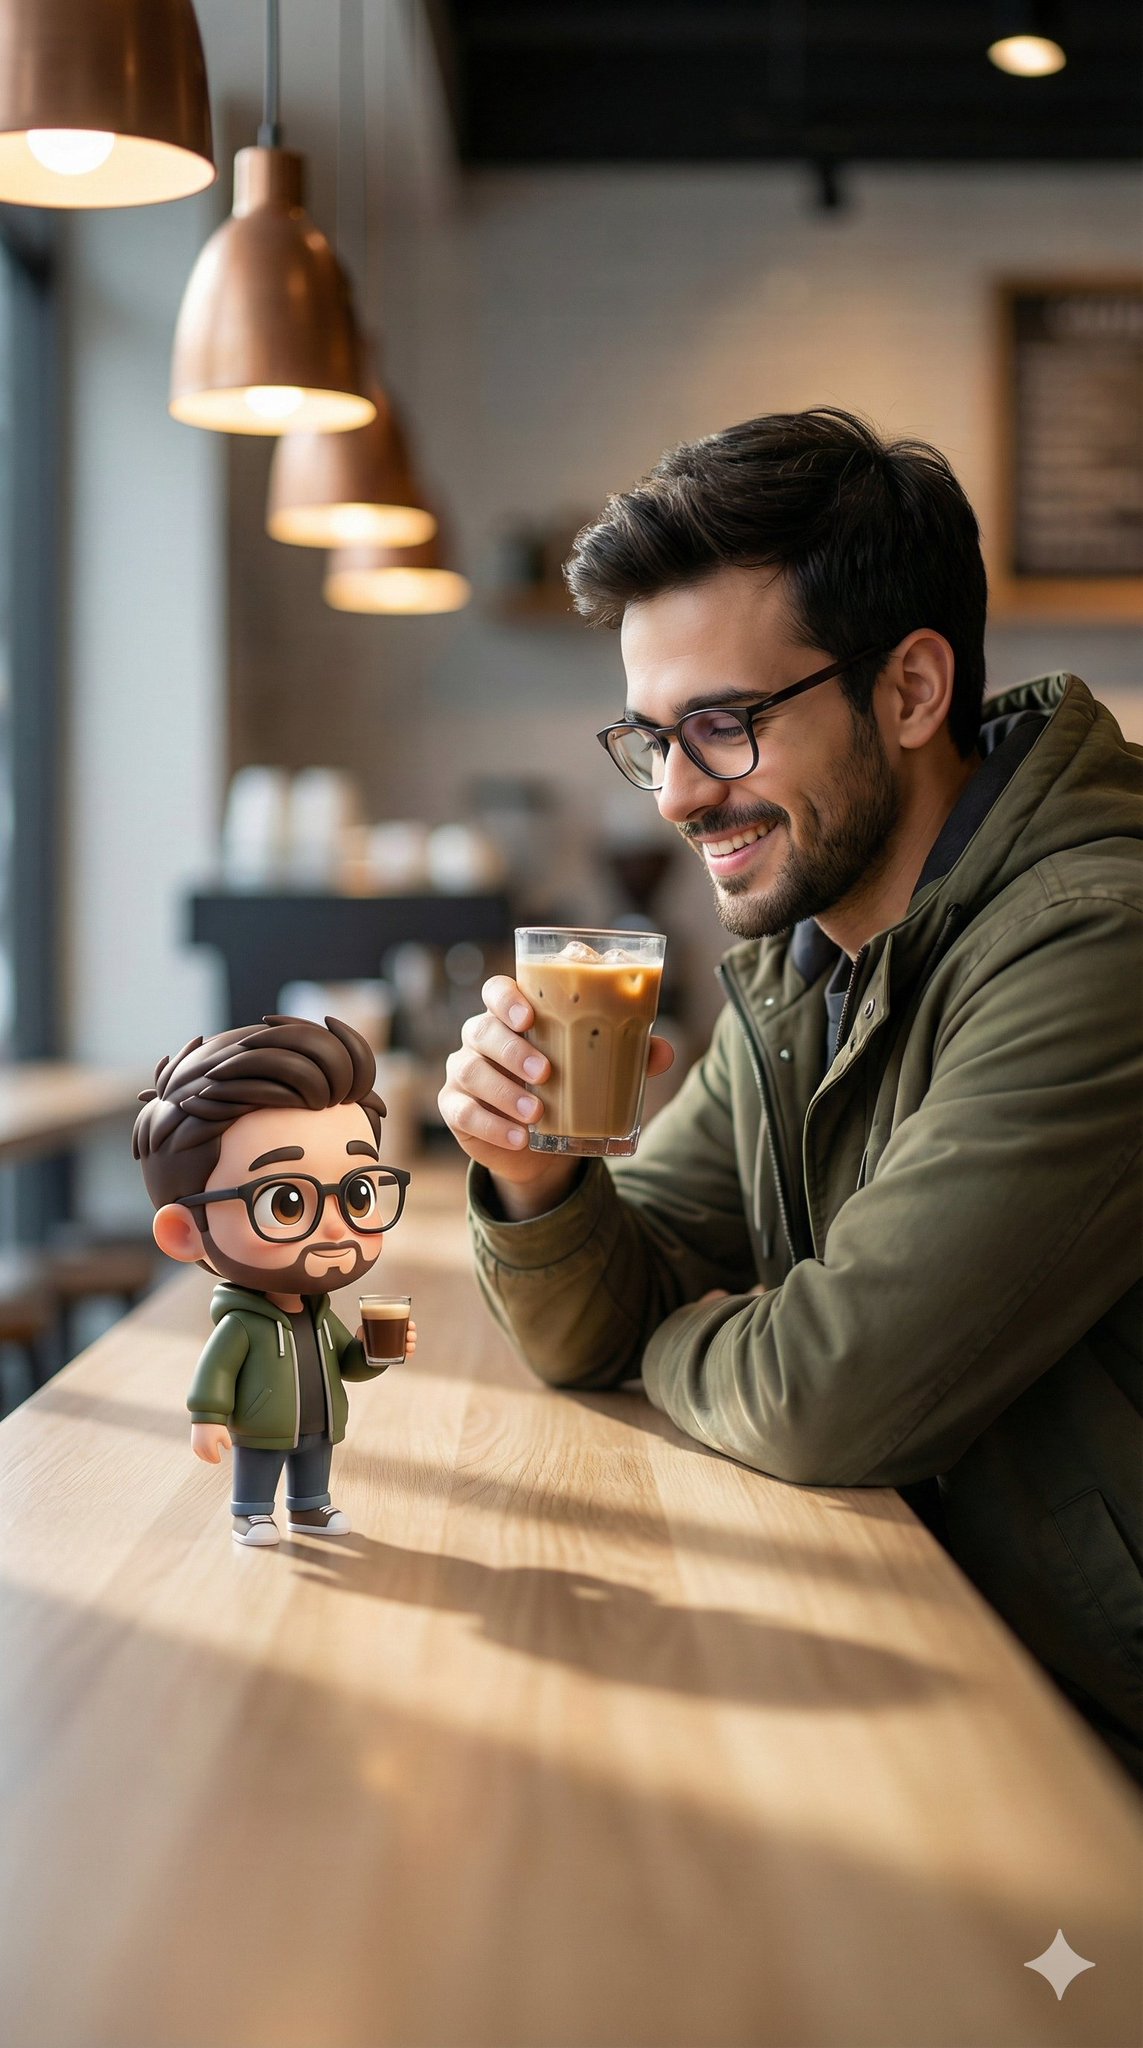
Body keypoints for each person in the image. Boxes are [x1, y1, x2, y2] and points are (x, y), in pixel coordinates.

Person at [439, 407, 1143, 1779]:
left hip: (1094, 1732)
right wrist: (535, 1177)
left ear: (909, 691)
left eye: (723, 725)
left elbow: (825, 1395)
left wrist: (680, 1334)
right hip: (952, 1651)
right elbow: (603, 1318)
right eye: (649, 738)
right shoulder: (803, 954)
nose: (676, 797)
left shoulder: (1098, 938)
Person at [134, 1014, 415, 1547]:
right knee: (259, 1468)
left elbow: (347, 1365)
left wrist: (378, 1352)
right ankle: (251, 1512)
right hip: (261, 1428)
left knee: (314, 1468)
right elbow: (215, 1372)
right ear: (184, 1231)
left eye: (357, 1195)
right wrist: (207, 1418)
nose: (336, 1226)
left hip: (321, 1423)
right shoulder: (242, 1325)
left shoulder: (319, 1315)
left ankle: (309, 1509)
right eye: (286, 1202)